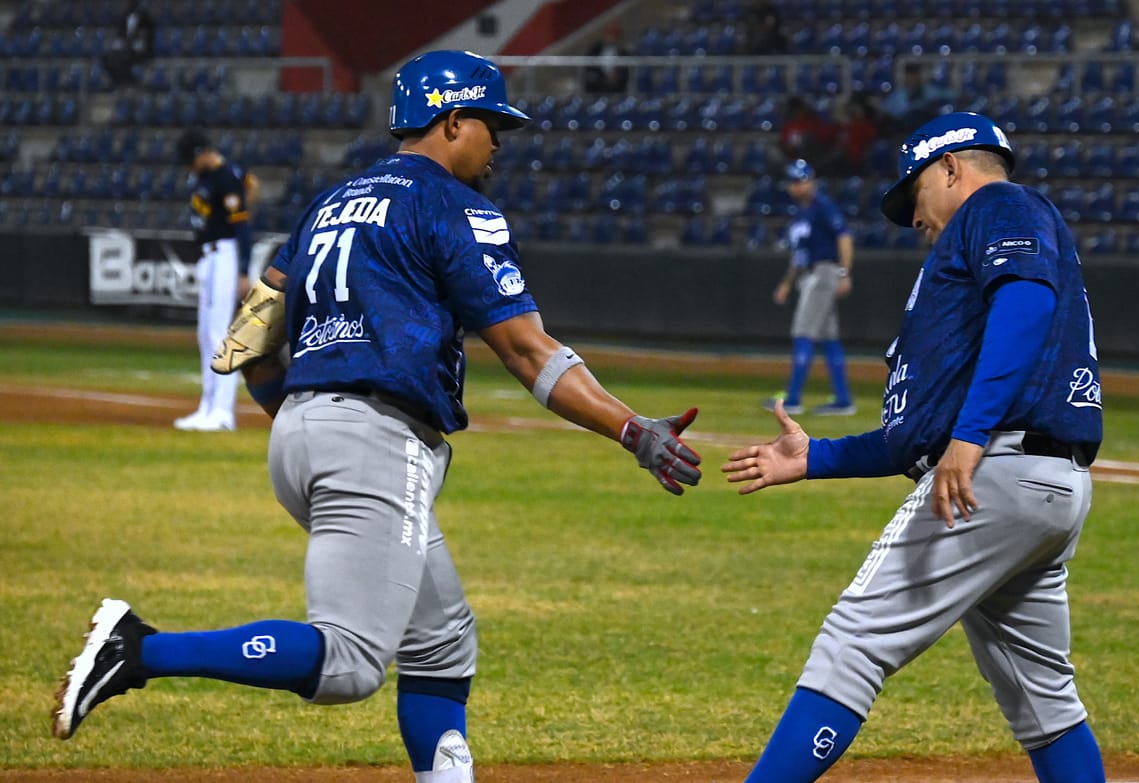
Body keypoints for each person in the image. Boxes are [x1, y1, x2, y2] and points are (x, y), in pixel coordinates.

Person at [51, 50, 703, 783]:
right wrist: (632, 429)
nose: (500, 142)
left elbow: (253, 342)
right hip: (374, 436)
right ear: (453, 121)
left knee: (442, 641)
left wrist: (304, 417)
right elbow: (527, 352)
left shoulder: (329, 202)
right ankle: (138, 649)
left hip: (300, 428)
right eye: (492, 124)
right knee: (352, 660)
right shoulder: (452, 205)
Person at [723, 112, 1106, 783]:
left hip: (993, 472)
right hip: (1042, 482)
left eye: (916, 194)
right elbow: (915, 438)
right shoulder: (973, 247)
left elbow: (1026, 300)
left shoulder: (997, 204)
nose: (916, 219)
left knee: (852, 642)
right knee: (1045, 702)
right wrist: (818, 458)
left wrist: (971, 434)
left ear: (953, 167)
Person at [171, 130, 257, 432]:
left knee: (219, 333)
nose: (189, 166)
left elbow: (242, 226)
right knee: (206, 333)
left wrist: (244, 270)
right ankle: (207, 407)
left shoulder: (225, 177)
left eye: (190, 160)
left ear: (201, 152)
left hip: (226, 255)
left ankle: (222, 413)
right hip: (209, 257)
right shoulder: (210, 176)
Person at [765, 158, 855, 416]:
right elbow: (799, 255)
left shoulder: (822, 206)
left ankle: (792, 399)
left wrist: (845, 272)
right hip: (811, 273)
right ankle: (843, 400)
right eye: (794, 181)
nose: (797, 186)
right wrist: (787, 283)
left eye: (801, 180)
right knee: (828, 339)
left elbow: (845, 237)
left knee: (803, 333)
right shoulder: (801, 212)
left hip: (824, 272)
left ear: (811, 180)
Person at [101, 0, 155, 87]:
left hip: (140, 48)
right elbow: (121, 33)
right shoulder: (125, 15)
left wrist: (134, 41)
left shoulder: (145, 16)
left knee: (122, 58)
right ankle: (121, 82)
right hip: (127, 46)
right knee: (106, 58)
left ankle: (128, 82)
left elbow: (145, 36)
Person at [583, 22, 630, 93]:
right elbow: (590, 66)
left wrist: (616, 76)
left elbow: (625, 70)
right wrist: (604, 76)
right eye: (610, 34)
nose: (612, 38)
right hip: (598, 83)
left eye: (615, 35)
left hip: (617, 86)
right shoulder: (596, 49)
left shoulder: (623, 51)